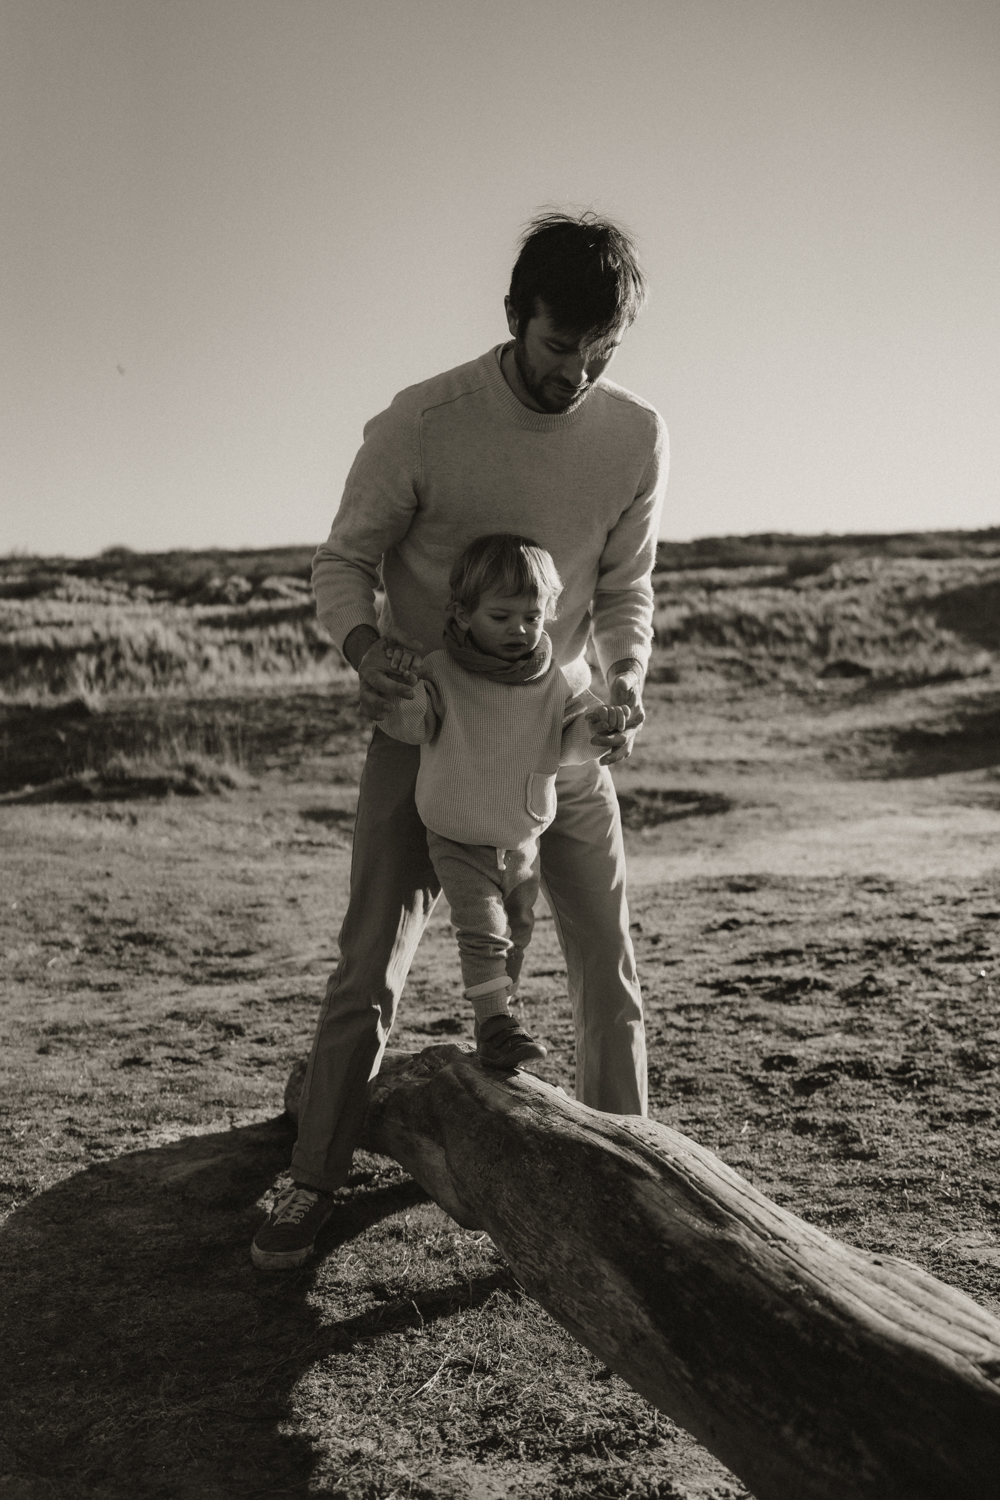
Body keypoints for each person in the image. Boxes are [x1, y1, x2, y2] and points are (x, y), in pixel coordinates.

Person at [252, 210, 668, 1271]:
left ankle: (632, 1191)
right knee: (369, 965)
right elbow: (342, 562)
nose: (578, 372)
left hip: (558, 733)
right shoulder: (424, 422)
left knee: (605, 969)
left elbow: (627, 587)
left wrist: (623, 677)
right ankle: (312, 1177)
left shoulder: (634, 435)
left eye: (601, 350)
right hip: (425, 732)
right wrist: (364, 650)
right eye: (559, 345)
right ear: (515, 316)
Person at [377, 533, 628, 1070]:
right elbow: (414, 725)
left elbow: (568, 745)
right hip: (459, 834)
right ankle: (494, 1023)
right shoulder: (443, 671)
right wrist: (401, 688)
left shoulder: (553, 679)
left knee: (518, 929)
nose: (520, 629)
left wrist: (598, 729)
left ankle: (498, 1022)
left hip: (521, 836)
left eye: (532, 617)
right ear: (462, 615)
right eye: (501, 616)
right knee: (483, 931)